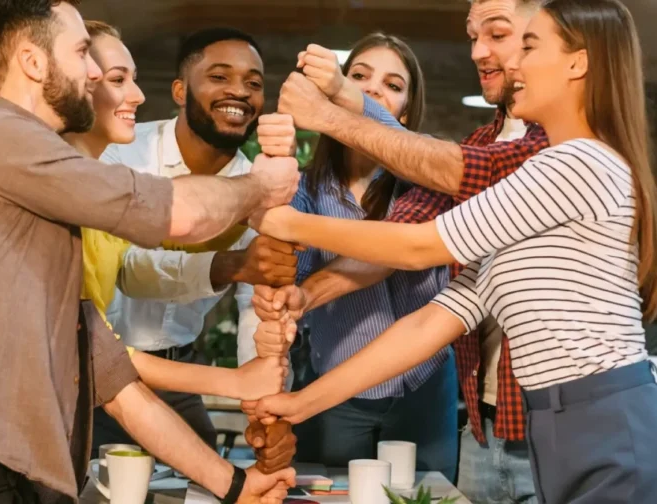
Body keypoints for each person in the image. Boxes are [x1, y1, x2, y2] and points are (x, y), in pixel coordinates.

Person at [0, 1, 298, 502]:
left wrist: (236, 485)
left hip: (9, 471)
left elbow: (115, 381)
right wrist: (260, 185)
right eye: (82, 52)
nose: (92, 73)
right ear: (33, 61)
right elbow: (178, 214)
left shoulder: (39, 195)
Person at [251, 0, 657, 501]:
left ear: (578, 62)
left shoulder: (579, 162)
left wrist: (285, 219)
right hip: (556, 421)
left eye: (529, 45)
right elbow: (430, 323)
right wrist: (303, 404)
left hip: (602, 420)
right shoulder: (540, 176)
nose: (513, 63)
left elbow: (420, 245)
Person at [66, 21, 296, 467]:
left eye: (253, 83)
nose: (239, 92)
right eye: (219, 76)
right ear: (179, 90)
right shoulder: (116, 150)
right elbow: (131, 269)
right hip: (92, 376)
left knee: (206, 481)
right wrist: (228, 264)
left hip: (177, 376)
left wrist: (267, 411)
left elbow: (259, 310)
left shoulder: (261, 185)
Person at [266, 33, 457, 479]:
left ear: (405, 112)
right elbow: (286, 267)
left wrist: (342, 95)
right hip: (336, 389)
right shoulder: (309, 187)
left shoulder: (428, 177)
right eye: (359, 77)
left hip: (424, 384)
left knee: (426, 493)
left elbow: (395, 250)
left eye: (392, 85)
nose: (372, 91)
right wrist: (279, 162)